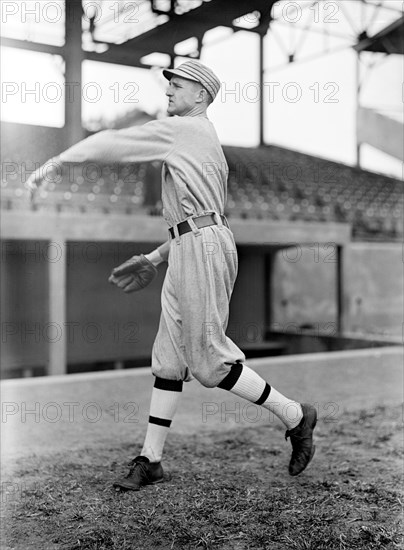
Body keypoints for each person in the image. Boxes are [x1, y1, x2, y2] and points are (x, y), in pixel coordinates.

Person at [26, 60, 317, 491]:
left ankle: (295, 415)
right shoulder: (203, 137)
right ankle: (151, 459)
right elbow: (199, 217)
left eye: (178, 84)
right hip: (188, 245)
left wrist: (61, 161)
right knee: (168, 358)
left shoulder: (186, 129)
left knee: (210, 363)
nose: (169, 90)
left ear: (201, 94)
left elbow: (116, 142)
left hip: (202, 248)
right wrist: (159, 256)